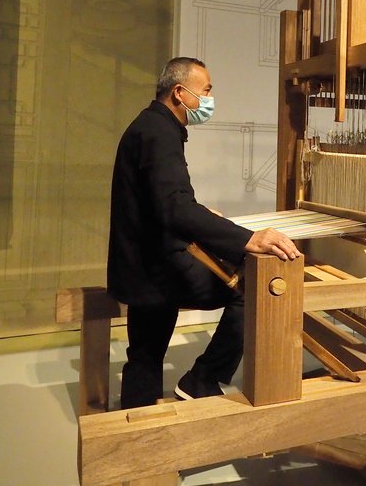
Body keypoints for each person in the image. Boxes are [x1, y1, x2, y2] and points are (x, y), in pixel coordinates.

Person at [107, 56, 300, 408]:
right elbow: (175, 208)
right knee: (250, 291)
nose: (210, 99)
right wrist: (247, 238)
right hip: (157, 268)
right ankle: (202, 378)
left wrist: (199, 212)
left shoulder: (150, 126)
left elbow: (161, 200)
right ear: (180, 93)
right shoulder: (159, 132)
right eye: (206, 90)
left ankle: (136, 442)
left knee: (145, 356)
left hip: (140, 266)